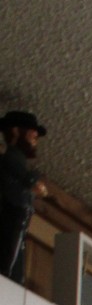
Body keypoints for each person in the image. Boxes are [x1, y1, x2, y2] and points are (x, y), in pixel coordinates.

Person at [0, 110, 47, 285]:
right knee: (9, 257)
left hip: (20, 214)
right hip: (14, 212)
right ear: (15, 131)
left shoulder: (16, 160)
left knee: (16, 258)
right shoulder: (10, 158)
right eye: (30, 131)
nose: (35, 136)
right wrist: (33, 179)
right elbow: (25, 177)